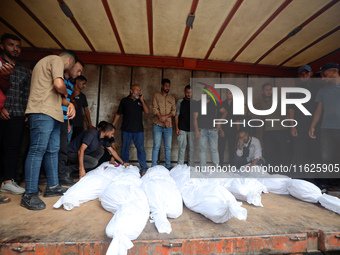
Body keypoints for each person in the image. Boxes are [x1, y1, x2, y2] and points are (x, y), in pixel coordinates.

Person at [21, 50, 77, 210]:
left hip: (52, 113)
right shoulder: (56, 60)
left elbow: (57, 96)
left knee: (53, 150)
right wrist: (67, 94)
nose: (69, 69)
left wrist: (70, 104)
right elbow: (59, 86)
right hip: (42, 111)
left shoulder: (47, 64)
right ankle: (29, 194)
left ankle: (53, 186)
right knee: (37, 149)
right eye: (71, 67)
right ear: (70, 61)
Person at [0, 33, 30, 197]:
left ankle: (7, 182)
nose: (15, 49)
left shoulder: (24, 72)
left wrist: (27, 114)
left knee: (12, 149)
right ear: (2, 46)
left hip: (17, 114)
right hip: (1, 111)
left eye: (18, 46)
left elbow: (26, 95)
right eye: (11, 45)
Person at [287, 65, 321, 165]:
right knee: (299, 153)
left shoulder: (318, 88)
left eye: (306, 73)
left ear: (311, 73)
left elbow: (320, 108)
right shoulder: (295, 90)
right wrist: (292, 126)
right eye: (301, 74)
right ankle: (300, 178)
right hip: (300, 126)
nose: (304, 75)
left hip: (316, 125)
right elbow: (291, 109)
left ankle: (318, 179)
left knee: (316, 152)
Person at [112, 84, 149, 175]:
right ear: (131, 91)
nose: (138, 92)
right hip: (126, 129)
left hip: (138, 130)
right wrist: (112, 125)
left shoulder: (141, 101)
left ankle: (143, 168)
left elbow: (147, 112)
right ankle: (125, 166)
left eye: (139, 90)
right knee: (125, 148)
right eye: (137, 90)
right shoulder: (124, 101)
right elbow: (118, 114)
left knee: (140, 149)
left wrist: (142, 101)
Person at [58, 60, 84, 186]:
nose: (79, 74)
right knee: (50, 149)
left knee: (63, 149)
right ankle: (53, 176)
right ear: (70, 66)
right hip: (55, 118)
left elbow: (67, 104)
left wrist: (67, 122)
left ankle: (61, 176)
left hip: (64, 119)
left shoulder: (69, 83)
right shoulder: (59, 80)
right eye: (78, 70)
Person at [309, 63, 340, 165]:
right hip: (326, 129)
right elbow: (319, 110)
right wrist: (312, 126)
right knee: (325, 158)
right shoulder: (322, 91)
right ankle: (326, 181)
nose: (322, 78)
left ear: (335, 71)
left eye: (325, 75)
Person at [258, 83, 291, 166]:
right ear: (262, 92)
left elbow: (289, 113)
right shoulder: (261, 102)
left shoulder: (280, 100)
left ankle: (285, 174)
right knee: (269, 153)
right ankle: (272, 174)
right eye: (266, 90)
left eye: (270, 90)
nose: (269, 92)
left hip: (281, 130)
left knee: (283, 153)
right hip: (268, 131)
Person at [193, 87, 227, 167]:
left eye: (212, 92)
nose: (210, 93)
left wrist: (219, 123)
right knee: (202, 150)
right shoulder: (198, 103)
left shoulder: (215, 103)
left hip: (213, 130)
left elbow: (225, 112)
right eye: (209, 91)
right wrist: (197, 130)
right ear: (204, 92)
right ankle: (203, 168)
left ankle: (216, 169)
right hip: (202, 130)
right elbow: (195, 118)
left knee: (214, 150)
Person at [152, 79, 176, 169]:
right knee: (156, 146)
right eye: (166, 86)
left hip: (168, 126)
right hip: (157, 125)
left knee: (168, 147)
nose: (167, 88)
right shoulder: (156, 96)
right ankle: (154, 166)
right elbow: (155, 109)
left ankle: (168, 166)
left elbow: (174, 111)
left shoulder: (172, 98)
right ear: (161, 85)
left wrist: (165, 117)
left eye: (169, 86)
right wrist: (163, 119)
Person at [70, 75, 95, 141]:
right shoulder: (68, 92)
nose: (84, 86)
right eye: (83, 83)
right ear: (77, 81)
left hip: (79, 124)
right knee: (67, 143)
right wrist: (72, 96)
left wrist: (89, 124)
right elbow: (62, 101)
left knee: (77, 143)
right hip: (69, 123)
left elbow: (86, 110)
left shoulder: (83, 96)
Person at [175, 85, 194, 166]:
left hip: (192, 129)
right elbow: (176, 116)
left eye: (190, 92)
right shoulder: (180, 102)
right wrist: (176, 128)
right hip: (182, 128)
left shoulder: (195, 102)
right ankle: (180, 166)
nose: (189, 94)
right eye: (187, 92)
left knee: (191, 149)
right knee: (182, 148)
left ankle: (191, 166)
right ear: (184, 92)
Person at [218, 89, 237, 166]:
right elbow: (218, 118)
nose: (228, 95)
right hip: (224, 128)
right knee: (221, 149)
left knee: (231, 149)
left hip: (233, 129)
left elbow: (237, 118)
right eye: (227, 93)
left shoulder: (236, 104)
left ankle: (232, 166)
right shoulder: (222, 104)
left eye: (230, 93)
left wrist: (238, 130)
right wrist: (221, 130)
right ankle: (220, 166)